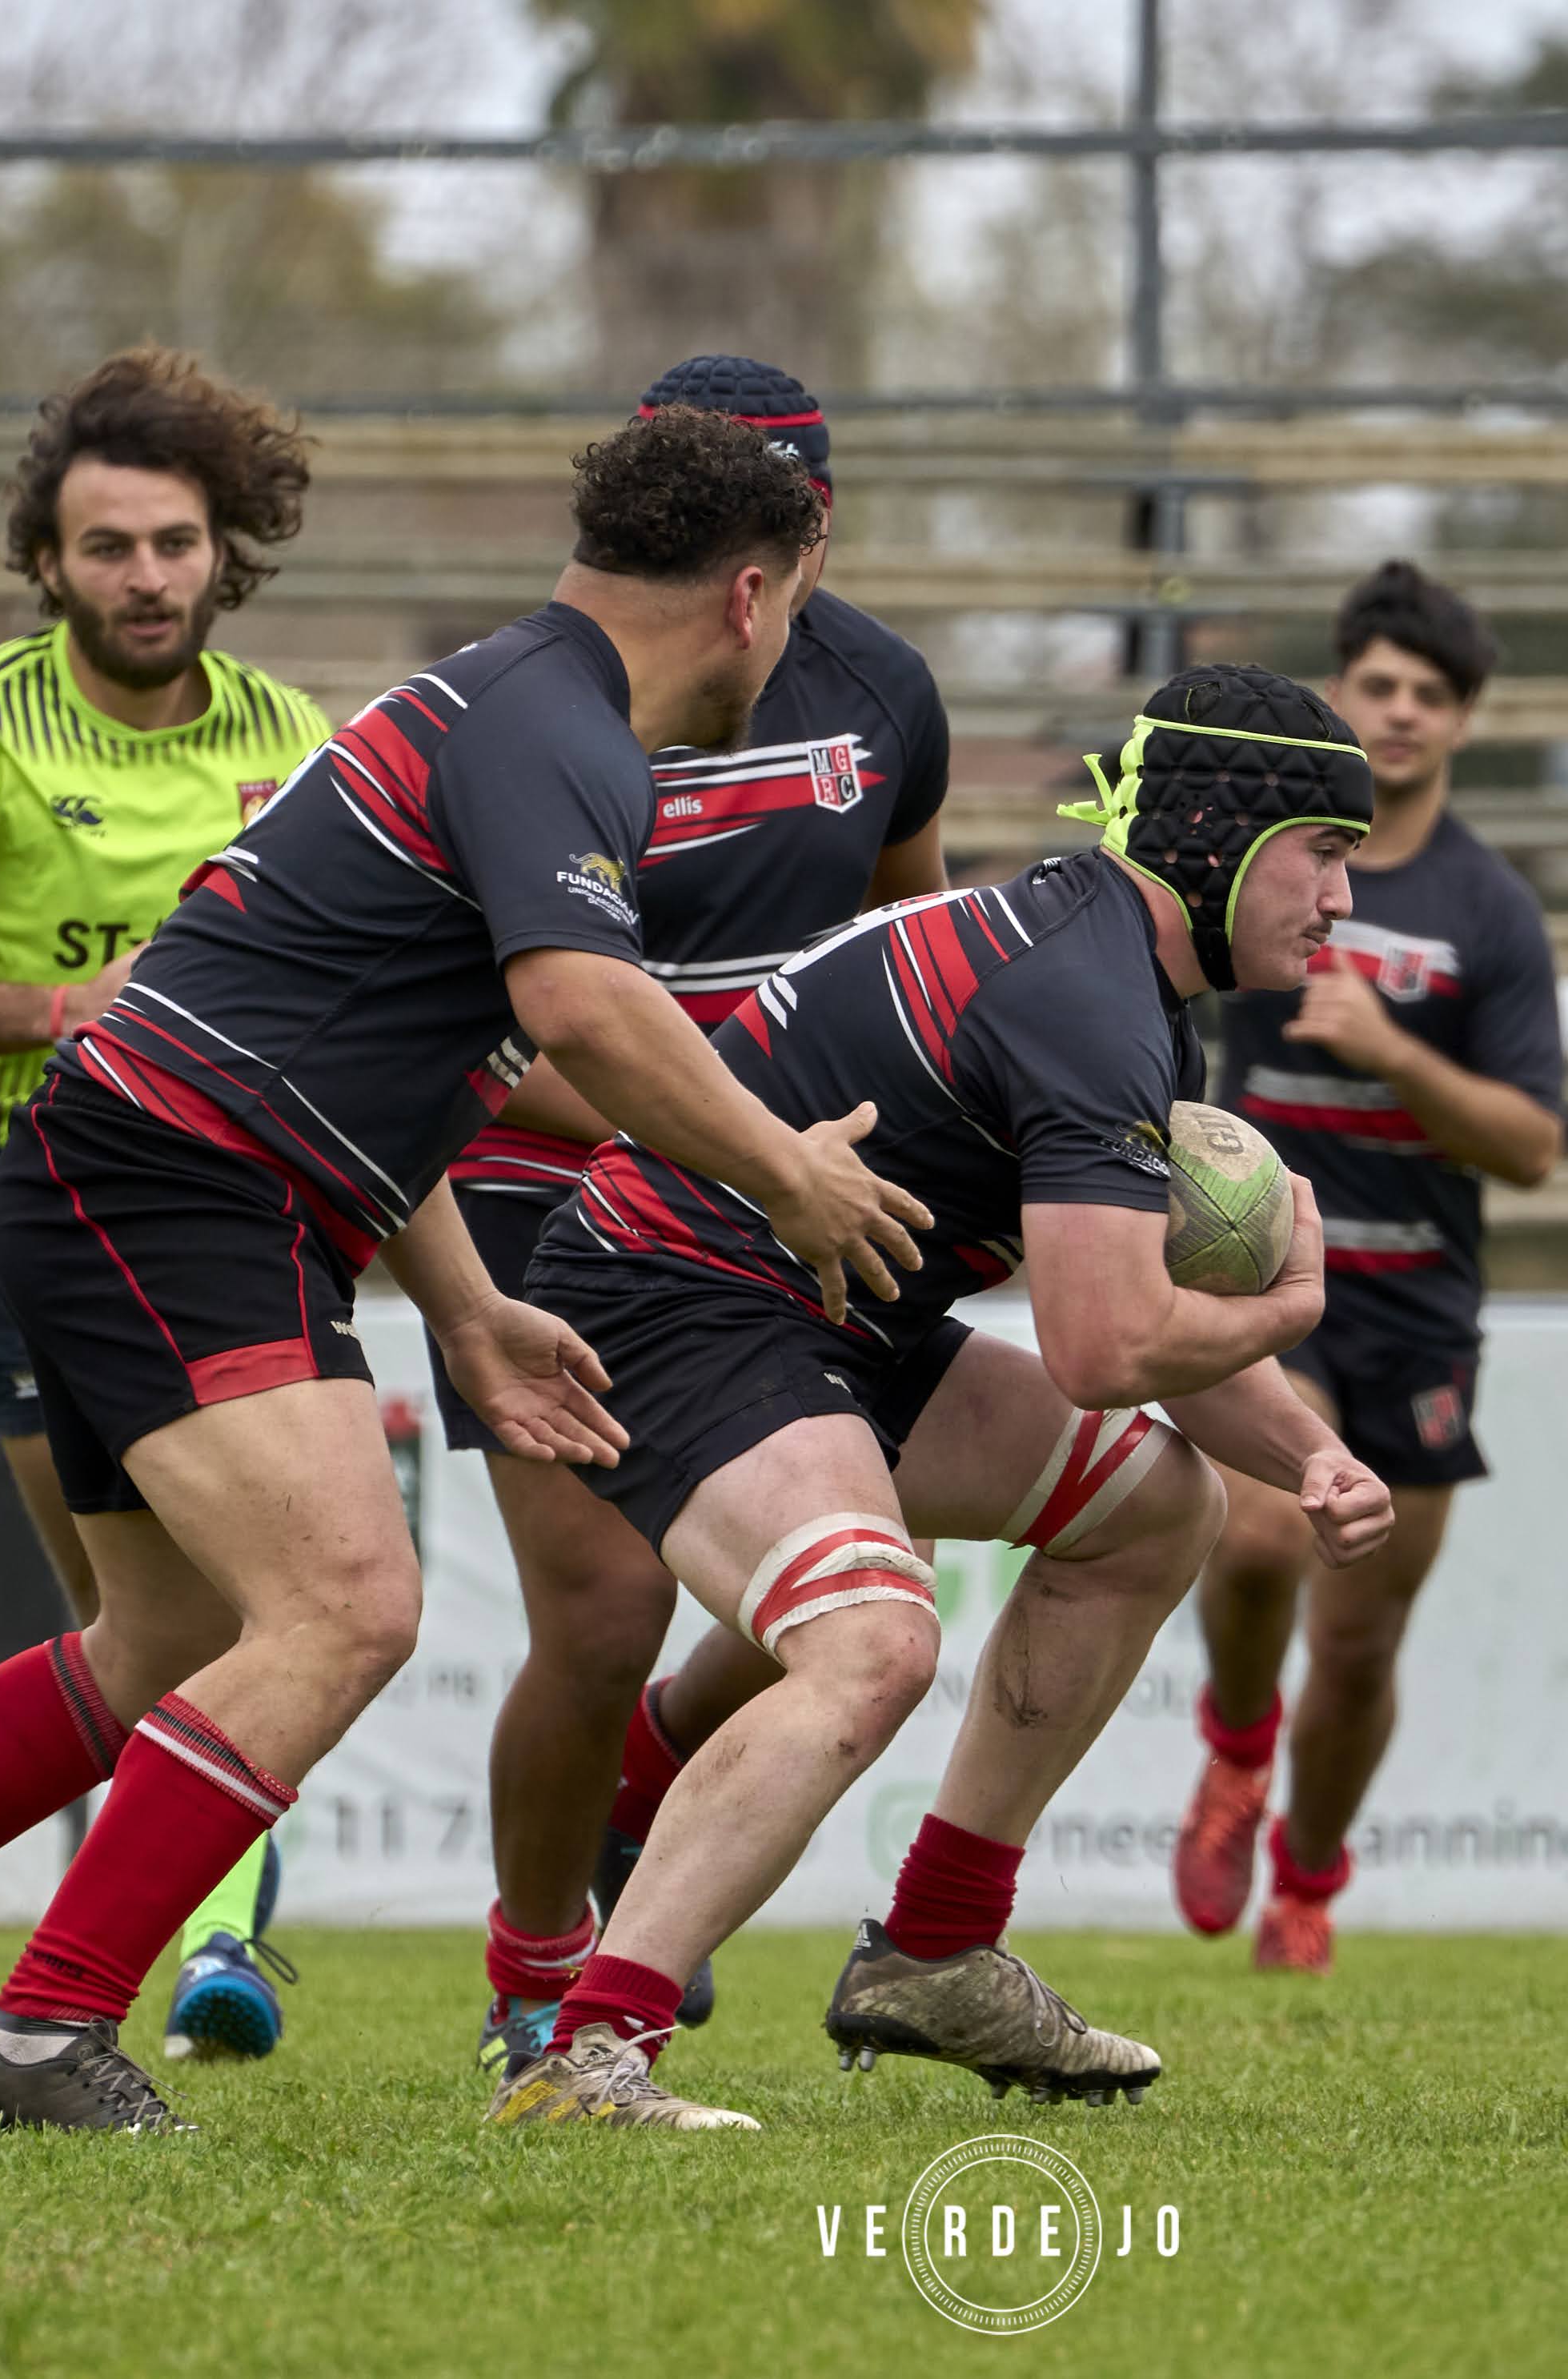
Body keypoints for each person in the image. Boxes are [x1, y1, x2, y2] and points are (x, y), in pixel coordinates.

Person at [0, 406, 924, 2136]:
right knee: (345, 1607)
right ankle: (42, 2032)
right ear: (751, 595)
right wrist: (785, 1171)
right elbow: (579, 1010)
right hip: (181, 1184)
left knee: (166, 1636)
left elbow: (406, 1056)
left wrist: (466, 1307)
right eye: (792, 616)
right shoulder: (559, 731)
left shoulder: (511, 703)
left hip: (147, 1175)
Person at [488, 664, 1397, 2132]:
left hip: (833, 1315)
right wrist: (1293, 1304)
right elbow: (1107, 1346)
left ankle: (936, 1949)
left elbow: (1124, 1331)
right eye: (1326, 853)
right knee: (872, 1643)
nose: (1342, 900)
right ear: (1222, 839)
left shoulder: (1118, 980)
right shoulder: (1090, 1001)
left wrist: (1310, 1453)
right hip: (676, 1300)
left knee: (1156, 1508)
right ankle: (586, 2057)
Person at [439, 356, 952, 2080]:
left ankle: (646, 1784)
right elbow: (502, 1030)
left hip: (780, 1191)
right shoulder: (547, 705)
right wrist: (730, 1141)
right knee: (600, 1615)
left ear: (815, 527)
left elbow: (913, 947)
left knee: (863, 1560)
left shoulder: (883, 691)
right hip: (552, 1197)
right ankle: (534, 1974)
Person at [0, 347, 331, 2064]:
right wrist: (63, 1008)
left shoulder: (294, 741)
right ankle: (85, 1957)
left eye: (175, 543)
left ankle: (206, 1945)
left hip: (236, 1202)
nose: (147, 577)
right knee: (142, 1626)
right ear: (48, 561)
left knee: (250, 1609)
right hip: (31, 1203)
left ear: (223, 548)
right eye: (108, 547)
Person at [1169, 563, 1561, 1972]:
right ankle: (1235, 1744)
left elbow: (1532, 1147)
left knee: (1360, 1644)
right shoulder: (1259, 863)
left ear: (1462, 722)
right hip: (1269, 1279)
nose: (1400, 713)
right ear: (1339, 695)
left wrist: (1394, 1050)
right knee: (1262, 1536)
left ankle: (1309, 1880)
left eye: (1429, 695)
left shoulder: (1490, 909)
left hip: (1419, 1305)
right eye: (1378, 686)